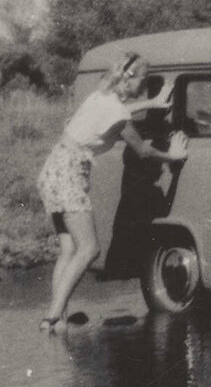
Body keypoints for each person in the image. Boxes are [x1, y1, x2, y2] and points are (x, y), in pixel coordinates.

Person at [36, 51, 184, 331]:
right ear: (132, 82)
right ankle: (52, 317)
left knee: (68, 249)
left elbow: (122, 108)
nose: (145, 86)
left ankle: (59, 320)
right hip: (70, 173)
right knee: (89, 248)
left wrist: (153, 101)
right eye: (144, 81)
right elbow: (143, 150)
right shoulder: (117, 114)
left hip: (54, 167)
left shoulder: (102, 93)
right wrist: (173, 157)